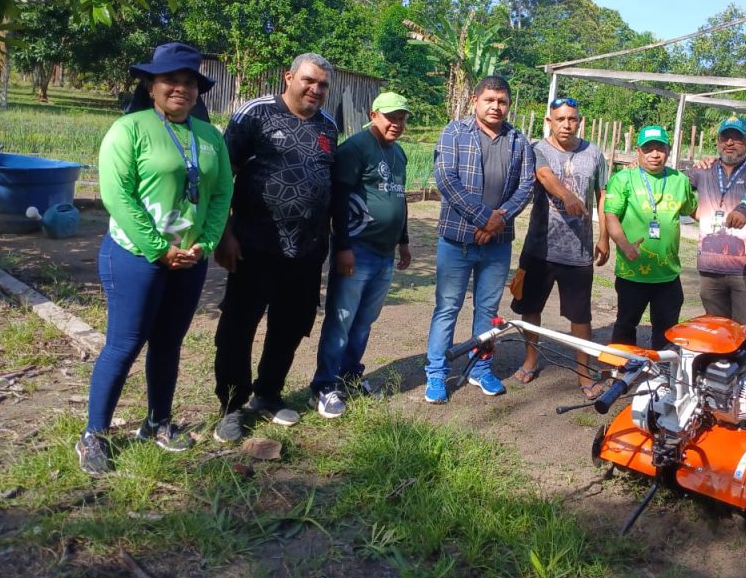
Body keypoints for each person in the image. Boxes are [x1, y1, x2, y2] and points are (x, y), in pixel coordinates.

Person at [77, 42, 233, 475]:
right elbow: (117, 196)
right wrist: (159, 248)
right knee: (125, 344)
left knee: (169, 343)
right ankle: (94, 434)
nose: (180, 89)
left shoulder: (209, 136)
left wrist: (207, 240)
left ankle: (157, 422)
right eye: (171, 81)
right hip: (136, 255)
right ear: (151, 86)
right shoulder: (128, 130)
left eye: (189, 82)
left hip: (190, 256)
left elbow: (221, 193)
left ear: (198, 91)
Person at [212, 53, 339, 442]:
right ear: (289, 78)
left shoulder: (329, 127)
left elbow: (329, 184)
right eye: (308, 81)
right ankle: (232, 406)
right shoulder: (255, 114)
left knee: (290, 326)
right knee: (239, 326)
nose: (315, 89)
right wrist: (224, 233)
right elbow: (221, 176)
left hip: (306, 250)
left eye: (322, 85)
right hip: (254, 245)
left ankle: (268, 393)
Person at [423, 75, 535, 404]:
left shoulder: (518, 140)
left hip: (497, 244)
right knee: (448, 308)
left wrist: (499, 218)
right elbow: (446, 179)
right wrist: (483, 217)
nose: (495, 107)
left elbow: (526, 185)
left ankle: (480, 368)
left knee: (488, 310)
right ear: (475, 101)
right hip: (457, 240)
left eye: (502, 101)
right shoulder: (454, 132)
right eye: (489, 100)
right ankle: (436, 372)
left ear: (508, 105)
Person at [308, 92, 413, 418]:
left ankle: (349, 377)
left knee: (365, 321)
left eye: (401, 118)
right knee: (341, 320)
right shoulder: (355, 148)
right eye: (390, 117)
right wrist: (343, 247)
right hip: (358, 250)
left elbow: (400, 199)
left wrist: (404, 240)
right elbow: (338, 199)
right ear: (373, 114)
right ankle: (323, 387)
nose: (396, 124)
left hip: (384, 254)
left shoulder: (399, 154)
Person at [510, 97, 610, 400]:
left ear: (580, 121)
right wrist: (566, 195)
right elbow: (544, 176)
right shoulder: (537, 149)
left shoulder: (594, 154)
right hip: (539, 248)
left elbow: (603, 196)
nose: (567, 124)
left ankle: (583, 371)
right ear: (549, 120)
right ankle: (531, 357)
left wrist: (604, 236)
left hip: (578, 252)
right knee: (530, 307)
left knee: (580, 316)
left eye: (572, 119)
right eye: (561, 119)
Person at [603, 125, 698, 350]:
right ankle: (623, 368)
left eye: (660, 148)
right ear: (638, 151)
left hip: (667, 275)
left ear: (669, 149)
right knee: (625, 325)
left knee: (667, 330)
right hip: (632, 273)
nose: (655, 154)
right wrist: (624, 245)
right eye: (648, 149)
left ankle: (663, 374)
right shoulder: (623, 179)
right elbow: (611, 216)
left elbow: (692, 211)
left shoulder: (679, 180)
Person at [686, 115, 746, 342]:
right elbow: (672, 186)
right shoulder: (703, 171)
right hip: (710, 269)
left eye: (737, 138)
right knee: (715, 332)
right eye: (724, 137)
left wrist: (743, 210)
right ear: (717, 141)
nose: (729, 143)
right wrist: (637, 168)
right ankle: (719, 375)